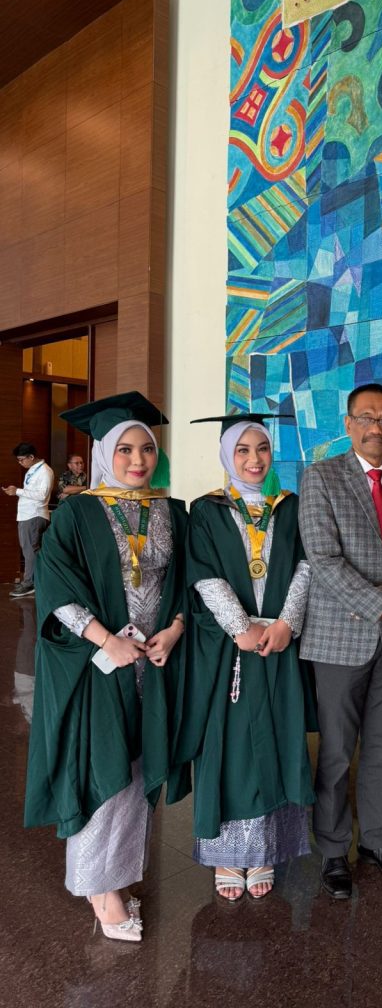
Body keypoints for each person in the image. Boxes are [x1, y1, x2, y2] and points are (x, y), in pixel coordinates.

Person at [24, 392, 189, 942]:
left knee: (139, 769)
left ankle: (116, 875)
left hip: (153, 662)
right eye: (125, 450)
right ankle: (98, 887)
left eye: (147, 449)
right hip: (100, 664)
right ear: (103, 454)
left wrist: (175, 628)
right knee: (106, 766)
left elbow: (186, 580)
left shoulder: (170, 510)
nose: (138, 460)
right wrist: (105, 640)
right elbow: (55, 584)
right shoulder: (78, 512)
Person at [176, 414, 316, 901]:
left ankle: (264, 851)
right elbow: (204, 573)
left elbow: (306, 566)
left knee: (278, 738)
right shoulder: (207, 510)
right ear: (227, 456)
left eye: (262, 449)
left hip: (279, 641)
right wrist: (241, 628)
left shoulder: (291, 506)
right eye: (243, 450)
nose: (255, 460)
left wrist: (286, 623)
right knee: (230, 744)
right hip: (229, 648)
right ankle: (227, 854)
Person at [299, 383, 382, 899]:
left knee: (381, 749)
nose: (377, 427)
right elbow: (322, 558)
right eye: (367, 418)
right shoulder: (321, 477)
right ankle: (333, 850)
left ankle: (375, 840)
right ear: (349, 424)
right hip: (338, 639)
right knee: (335, 753)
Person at [3, 442, 54, 597]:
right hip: (28, 515)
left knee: (30, 551)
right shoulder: (33, 470)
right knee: (30, 550)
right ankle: (36, 581)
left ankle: (29, 584)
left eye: (21, 459)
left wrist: (17, 491)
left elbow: (42, 495)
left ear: (31, 457)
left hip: (34, 515)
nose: (20, 463)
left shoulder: (45, 471)